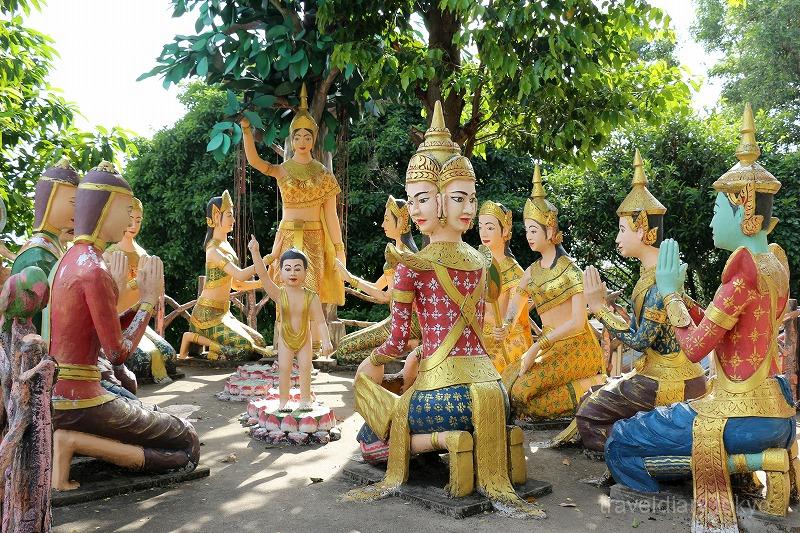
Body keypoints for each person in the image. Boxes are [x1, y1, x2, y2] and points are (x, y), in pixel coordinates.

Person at [343, 101, 543, 519]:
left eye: (467, 198)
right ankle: (478, 440)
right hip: (495, 393)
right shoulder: (483, 263)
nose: (415, 210)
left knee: (373, 431)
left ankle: (449, 441)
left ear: (438, 202)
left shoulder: (411, 265)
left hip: (447, 399)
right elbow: (481, 330)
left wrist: (372, 361)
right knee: (405, 399)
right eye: (413, 200)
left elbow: (397, 340)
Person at [604, 105, 796, 531]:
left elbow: (694, 347)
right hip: (778, 414)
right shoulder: (773, 263)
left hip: (737, 418)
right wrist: (685, 298)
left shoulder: (742, 270)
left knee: (620, 439)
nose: (711, 220)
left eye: (717, 210)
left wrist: (671, 293)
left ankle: (666, 500)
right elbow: (722, 327)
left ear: (745, 212)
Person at [48, 161, 199, 491]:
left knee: (147, 413)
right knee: (188, 442)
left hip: (60, 397)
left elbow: (96, 335)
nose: (130, 221)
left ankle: (76, 440)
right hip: (83, 402)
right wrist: (147, 301)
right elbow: (117, 353)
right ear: (105, 209)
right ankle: (74, 442)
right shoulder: (95, 269)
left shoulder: (69, 260)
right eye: (126, 211)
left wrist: (133, 306)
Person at [562, 150, 706, 452]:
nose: (617, 238)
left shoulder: (659, 283)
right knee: (590, 396)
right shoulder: (655, 275)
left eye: (622, 230)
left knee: (588, 416)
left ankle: (633, 455)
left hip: (668, 380)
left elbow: (640, 341)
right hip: (660, 372)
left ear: (642, 230)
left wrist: (599, 310)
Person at [498, 164, 604, 420]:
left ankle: (591, 386)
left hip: (576, 345)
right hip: (548, 347)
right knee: (507, 382)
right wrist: (506, 326)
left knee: (522, 393)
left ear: (551, 230)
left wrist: (537, 346)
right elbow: (516, 306)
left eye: (534, 230)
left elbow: (578, 322)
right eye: (527, 230)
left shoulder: (570, 270)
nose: (529, 236)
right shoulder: (531, 272)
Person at [241, 83, 345, 312]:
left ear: (314, 139)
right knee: (285, 294)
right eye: (297, 137)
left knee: (312, 293)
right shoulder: (282, 169)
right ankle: (286, 333)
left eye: (307, 137)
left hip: (315, 237)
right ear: (292, 139)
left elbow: (331, 215)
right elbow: (255, 162)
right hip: (287, 236)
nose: (302, 142)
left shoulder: (324, 174)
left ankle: (314, 334)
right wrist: (247, 131)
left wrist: (339, 249)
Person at [179, 190, 269, 361]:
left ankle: (213, 348)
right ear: (216, 216)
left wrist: (262, 283)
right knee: (245, 349)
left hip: (223, 313)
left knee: (260, 342)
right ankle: (192, 337)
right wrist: (264, 261)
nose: (233, 220)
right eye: (229, 215)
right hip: (206, 316)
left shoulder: (226, 246)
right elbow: (240, 275)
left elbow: (236, 284)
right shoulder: (213, 250)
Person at [334, 195, 421, 365]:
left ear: (400, 222)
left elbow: (386, 296)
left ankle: (405, 347)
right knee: (343, 343)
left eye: (387, 220)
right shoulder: (396, 253)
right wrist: (350, 277)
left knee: (343, 351)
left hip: (406, 324)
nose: (382, 225)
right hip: (396, 320)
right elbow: (377, 286)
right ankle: (405, 346)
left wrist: (350, 278)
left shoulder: (405, 257)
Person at [250, 239, 333, 411]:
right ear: (280, 272)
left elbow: (320, 321)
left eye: (297, 268)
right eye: (287, 269)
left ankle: (305, 399)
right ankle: (283, 401)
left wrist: (326, 340)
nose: (292, 273)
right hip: (285, 339)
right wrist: (255, 252)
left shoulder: (311, 297)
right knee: (284, 369)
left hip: (305, 338)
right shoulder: (279, 294)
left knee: (305, 368)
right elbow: (263, 276)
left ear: (305, 272)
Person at [106, 197, 177, 382]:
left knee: (169, 355)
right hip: (118, 321)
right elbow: (111, 297)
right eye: (130, 219)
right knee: (144, 360)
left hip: (138, 317)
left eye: (138, 220)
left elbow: (149, 291)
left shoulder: (142, 254)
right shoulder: (110, 254)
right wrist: (136, 282)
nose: (133, 225)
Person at [477, 200, 532, 373]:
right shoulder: (477, 267)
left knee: (484, 369)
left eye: (490, 227)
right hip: (479, 336)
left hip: (507, 338)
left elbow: (511, 317)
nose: (483, 232)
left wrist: (503, 327)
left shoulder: (516, 272)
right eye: (480, 227)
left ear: (505, 231)